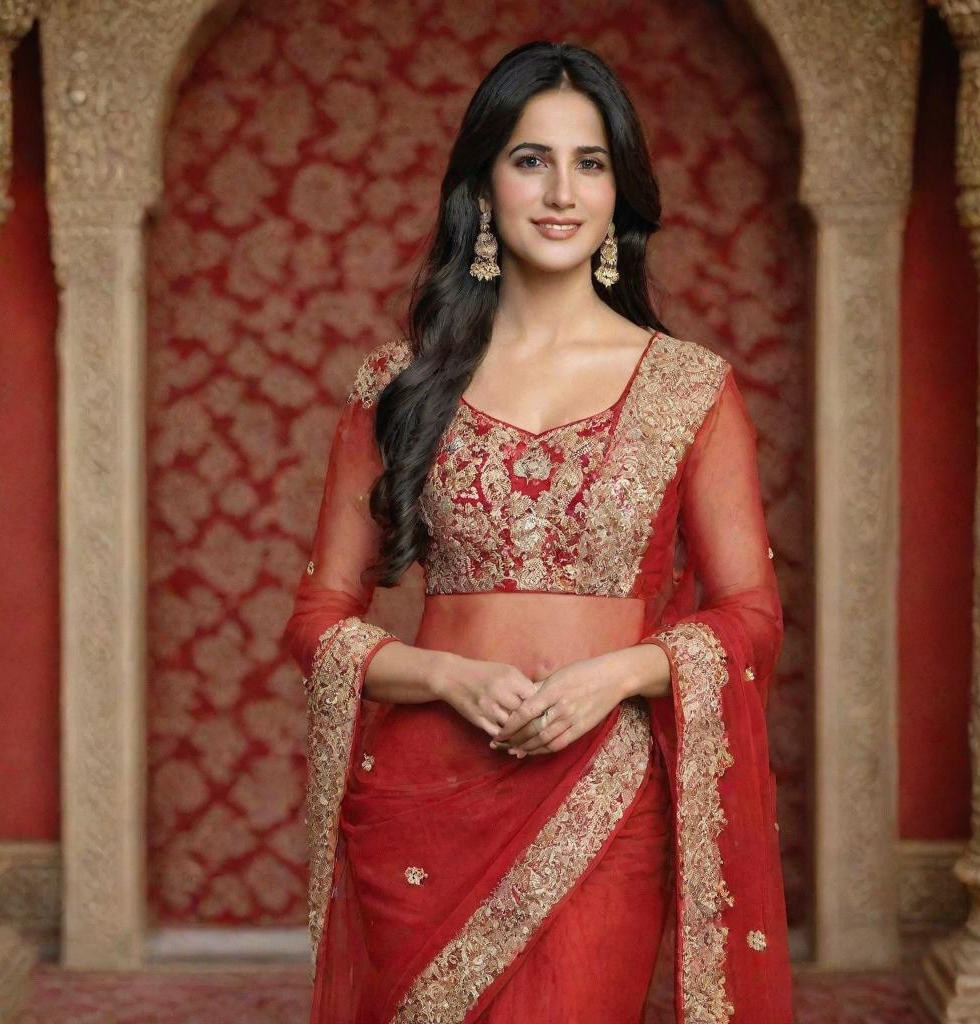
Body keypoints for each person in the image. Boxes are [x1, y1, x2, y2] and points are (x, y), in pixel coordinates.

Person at [282, 39, 793, 1024]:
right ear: (480, 186)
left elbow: (752, 615)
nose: (561, 190)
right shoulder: (400, 384)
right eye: (530, 159)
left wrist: (617, 674)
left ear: (616, 194)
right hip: (422, 803)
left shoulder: (687, 387)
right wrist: (444, 675)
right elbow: (317, 619)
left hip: (602, 796)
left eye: (589, 162)